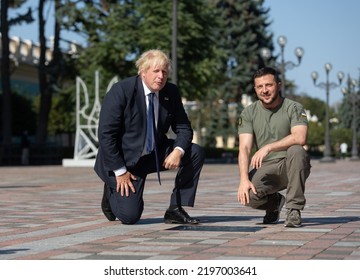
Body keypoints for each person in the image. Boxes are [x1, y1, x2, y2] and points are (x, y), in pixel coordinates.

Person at [94, 49, 205, 225]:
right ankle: (111, 191)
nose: (161, 76)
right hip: (124, 161)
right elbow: (106, 135)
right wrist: (120, 171)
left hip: (152, 154)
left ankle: (175, 208)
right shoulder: (121, 91)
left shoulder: (171, 92)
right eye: (156, 71)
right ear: (143, 72)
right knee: (130, 217)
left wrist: (178, 150)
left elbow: (184, 128)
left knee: (194, 151)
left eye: (164, 72)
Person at [237, 67, 311, 228]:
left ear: (279, 85)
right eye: (260, 87)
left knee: (297, 150)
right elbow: (244, 148)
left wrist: (269, 147)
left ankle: (293, 210)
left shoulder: (293, 107)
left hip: (291, 163)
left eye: (269, 85)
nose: (264, 90)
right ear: (255, 89)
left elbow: (300, 137)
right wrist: (243, 179)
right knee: (248, 195)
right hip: (267, 167)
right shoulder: (249, 112)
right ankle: (275, 202)